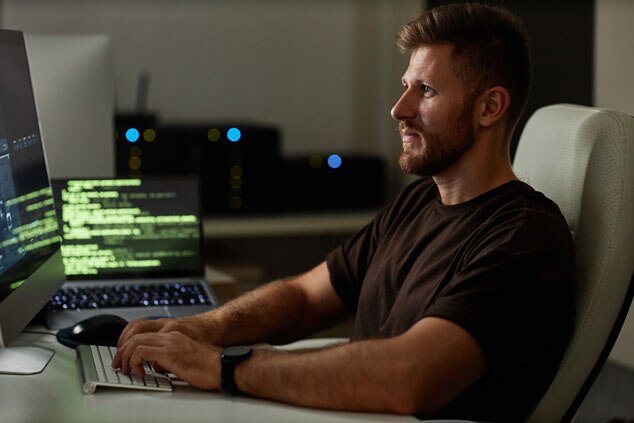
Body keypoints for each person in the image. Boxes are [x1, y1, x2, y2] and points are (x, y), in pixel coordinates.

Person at [113, 3, 576, 421]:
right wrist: (202, 329)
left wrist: (223, 367)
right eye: (404, 87)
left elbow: (408, 377)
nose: (399, 109)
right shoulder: (420, 201)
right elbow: (306, 297)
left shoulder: (523, 238)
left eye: (427, 91)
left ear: (490, 107)